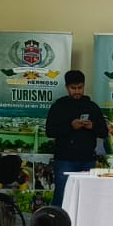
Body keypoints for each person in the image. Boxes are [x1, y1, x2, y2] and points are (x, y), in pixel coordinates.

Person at [45, 70, 108, 206]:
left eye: (80, 87)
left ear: (84, 86)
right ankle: (58, 220)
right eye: (73, 88)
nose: (77, 91)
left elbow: (104, 132)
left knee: (86, 198)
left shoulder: (92, 107)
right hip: (65, 160)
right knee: (62, 195)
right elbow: (49, 131)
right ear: (67, 87)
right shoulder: (58, 107)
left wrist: (92, 126)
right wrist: (70, 126)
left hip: (88, 160)